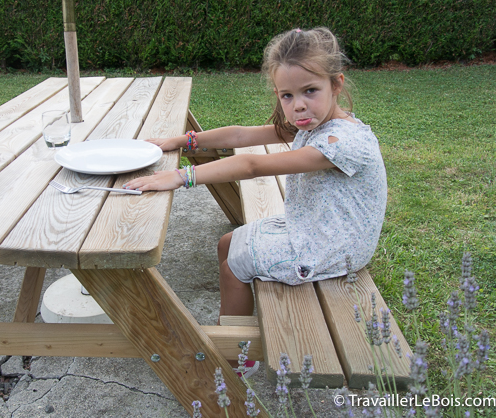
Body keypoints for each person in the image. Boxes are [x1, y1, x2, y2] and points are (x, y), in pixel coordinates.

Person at [123, 27, 387, 376]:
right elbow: (239, 135)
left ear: (336, 84)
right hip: (311, 225)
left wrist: (180, 177)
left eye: (310, 91)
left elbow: (252, 164)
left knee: (234, 266)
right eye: (287, 96)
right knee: (227, 244)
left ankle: (237, 360)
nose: (298, 106)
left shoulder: (340, 142)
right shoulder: (309, 124)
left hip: (331, 246)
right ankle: (236, 322)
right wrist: (180, 141)